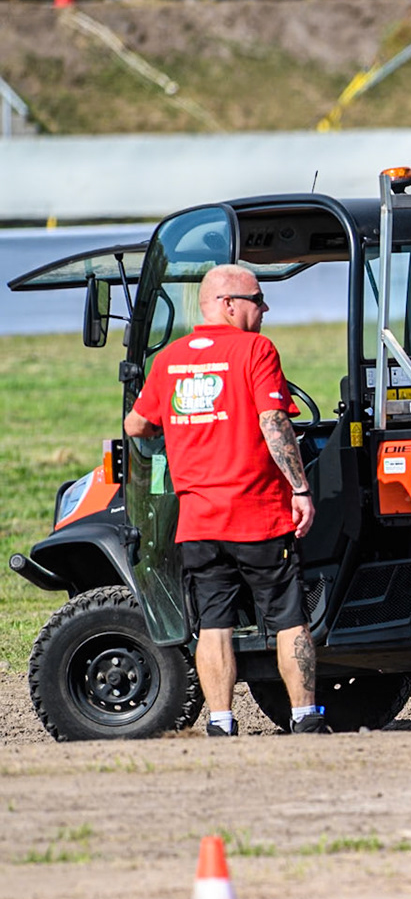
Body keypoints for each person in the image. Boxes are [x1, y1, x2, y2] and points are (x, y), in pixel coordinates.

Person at [123, 265, 324, 734]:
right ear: (228, 303)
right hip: (259, 516)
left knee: (214, 623)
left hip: (199, 521)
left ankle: (220, 723)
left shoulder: (169, 359)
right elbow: (274, 423)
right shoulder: (255, 349)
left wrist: (170, 430)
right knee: (290, 617)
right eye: (258, 298)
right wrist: (300, 488)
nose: (265, 308)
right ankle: (305, 718)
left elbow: (136, 424)